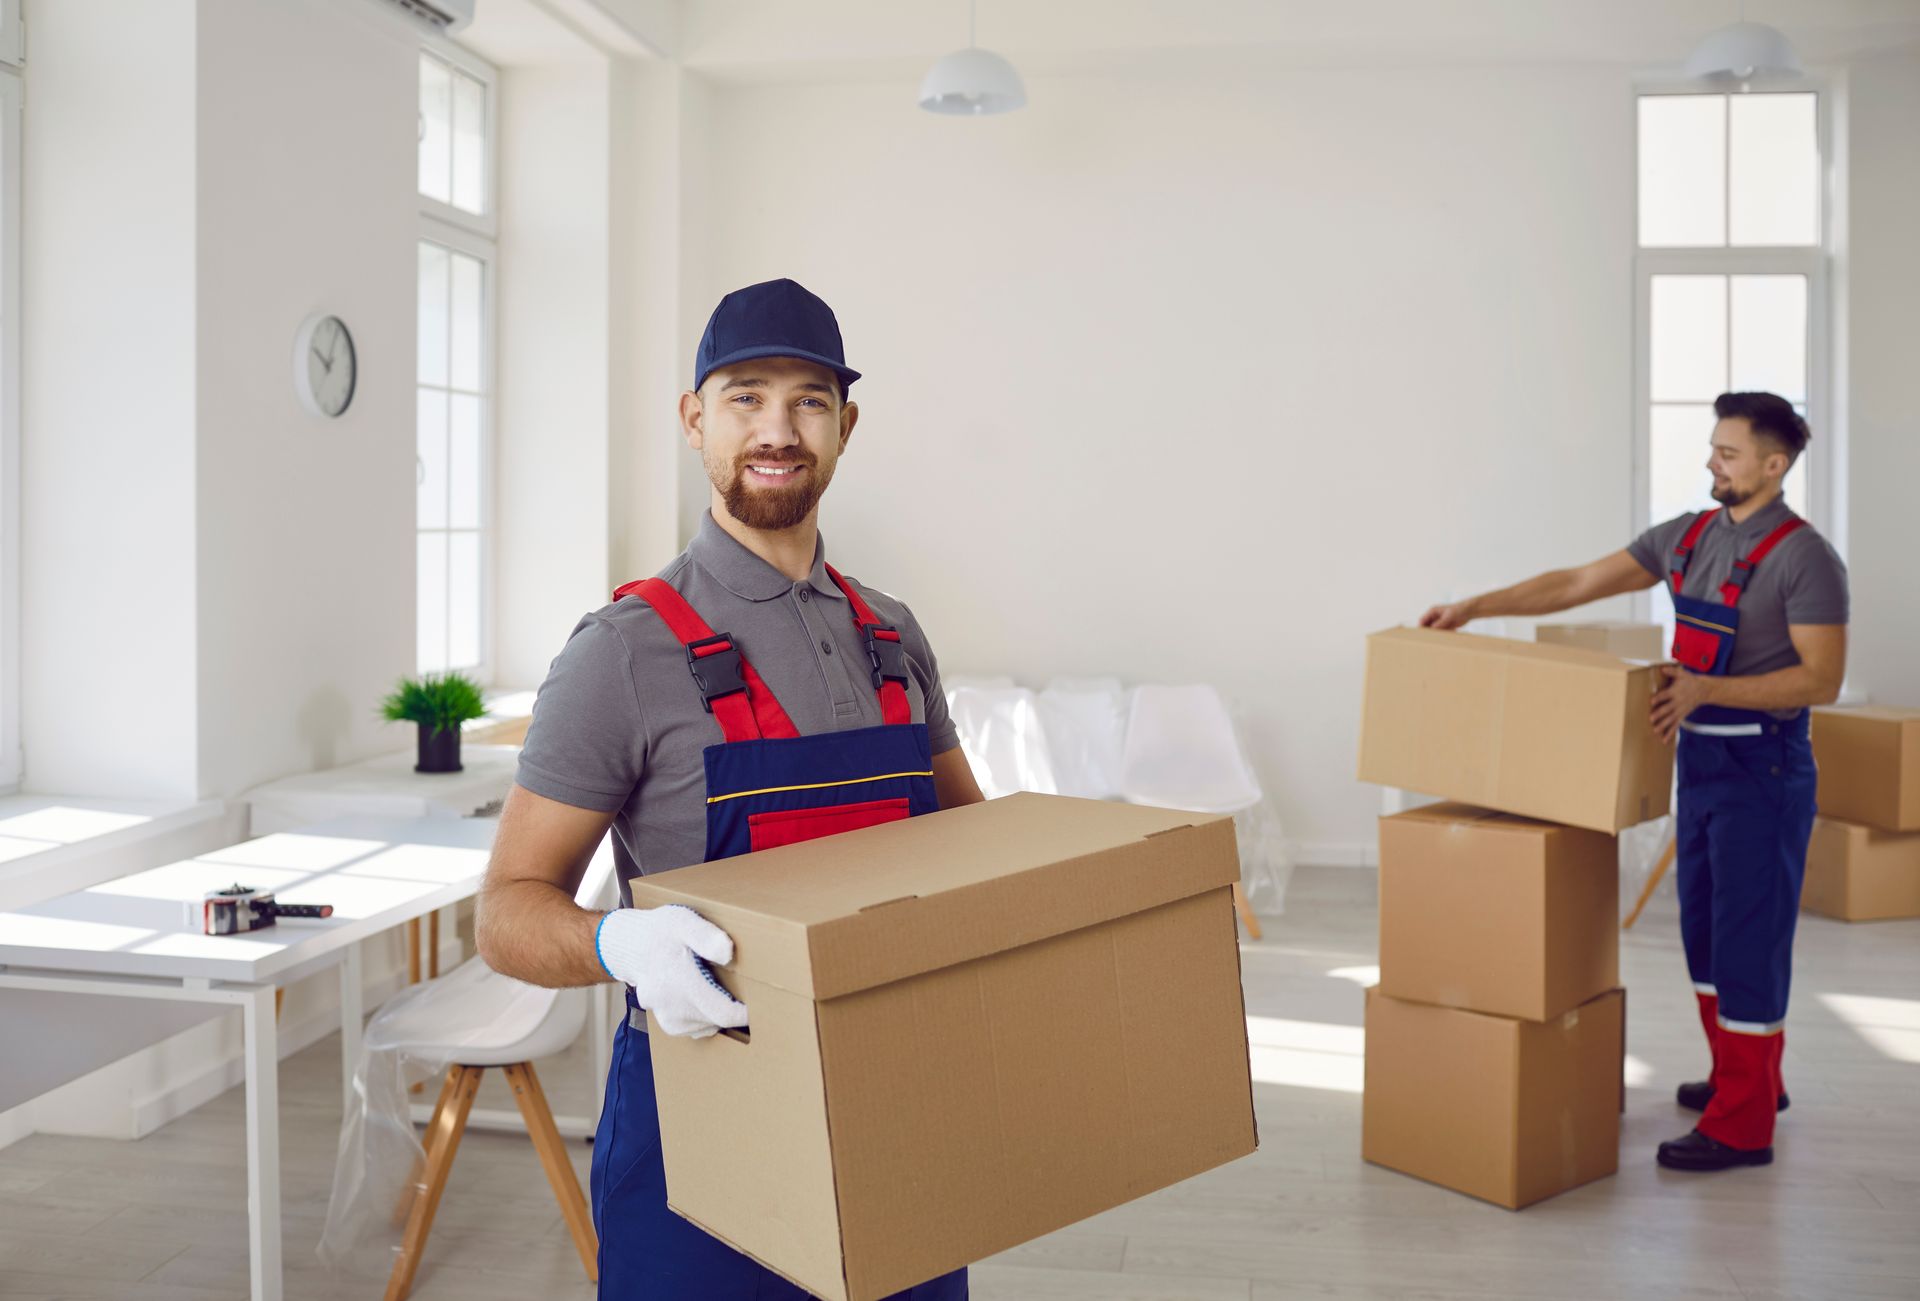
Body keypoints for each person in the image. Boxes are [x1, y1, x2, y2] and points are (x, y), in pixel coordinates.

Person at [475, 278, 984, 1295]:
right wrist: (618, 941)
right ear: (694, 417)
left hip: (900, 1113)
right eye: (745, 396)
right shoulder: (622, 651)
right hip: (698, 1133)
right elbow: (505, 914)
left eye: (807, 400)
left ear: (845, 426)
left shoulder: (893, 635)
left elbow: (976, 856)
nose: (777, 429)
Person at [1419, 391, 1847, 1172]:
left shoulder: (1805, 558)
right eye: (1713, 448)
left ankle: (1743, 1126)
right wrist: (1475, 606)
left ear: (1774, 465)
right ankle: (1742, 1077)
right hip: (1701, 761)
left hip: (1766, 764)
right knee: (1707, 936)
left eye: (1729, 452)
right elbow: (1579, 582)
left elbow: (1821, 680)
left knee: (1750, 943)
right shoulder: (1685, 537)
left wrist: (1706, 691)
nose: (1711, 462)